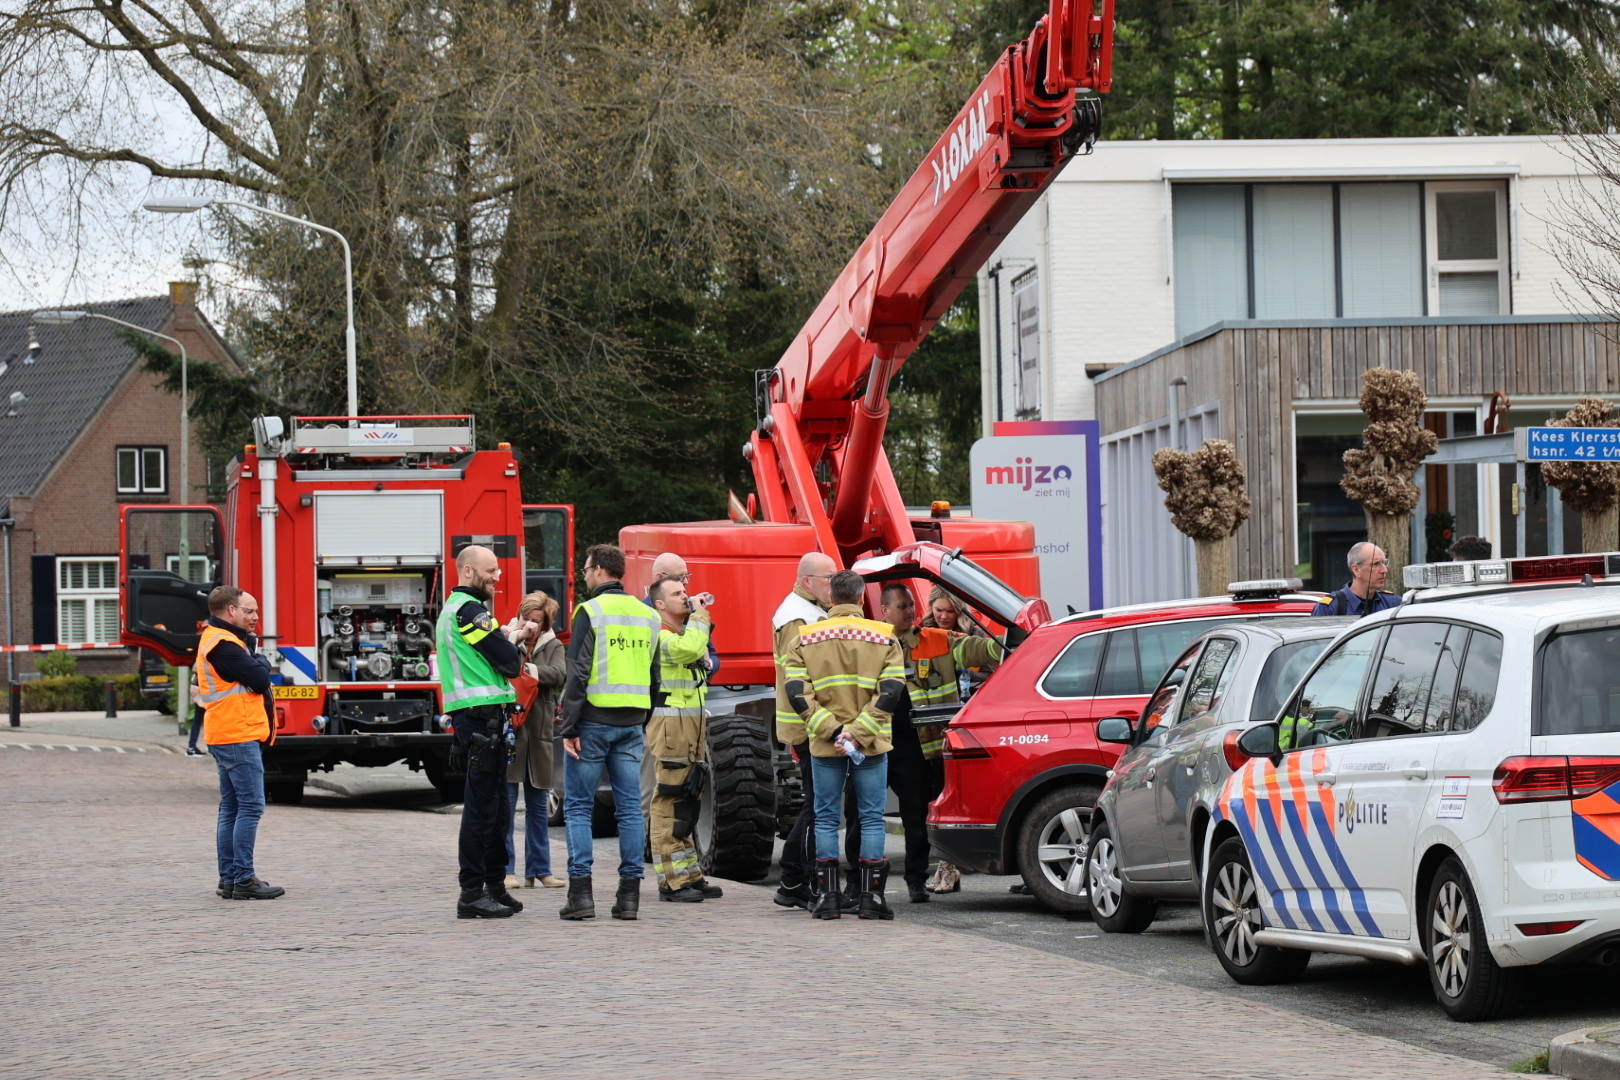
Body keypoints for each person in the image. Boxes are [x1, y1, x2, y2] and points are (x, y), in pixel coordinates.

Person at [852, 583, 1003, 900]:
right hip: (872, 742)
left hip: (916, 747)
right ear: (885, 611)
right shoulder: (868, 644)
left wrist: (1013, 640)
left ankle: (915, 881)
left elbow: (981, 650)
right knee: (861, 817)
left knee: (916, 817)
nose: (911, 611)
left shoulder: (936, 640)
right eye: (903, 606)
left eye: (911, 605)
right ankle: (856, 883)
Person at [784, 569, 908, 920]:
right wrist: (858, 733)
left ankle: (828, 900)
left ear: (832, 599)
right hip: (869, 743)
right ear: (860, 598)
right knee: (870, 818)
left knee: (824, 818)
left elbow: (796, 692)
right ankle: (871, 899)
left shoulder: (804, 639)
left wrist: (833, 730)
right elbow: (891, 692)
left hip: (825, 744)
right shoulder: (884, 638)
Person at [558, 544, 659, 922]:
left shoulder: (590, 611)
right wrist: (641, 718)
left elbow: (577, 672)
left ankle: (581, 895)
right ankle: (629, 897)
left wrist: (568, 726)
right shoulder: (646, 614)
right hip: (631, 723)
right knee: (631, 809)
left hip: (593, 723)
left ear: (600, 570)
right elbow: (654, 675)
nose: (584, 575)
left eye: (585, 569)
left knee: (579, 807)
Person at [436, 544, 530, 920]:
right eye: (491, 570)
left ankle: (493, 886)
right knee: (481, 810)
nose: (497, 577)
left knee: (498, 807)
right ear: (469, 572)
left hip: (479, 719)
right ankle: (471, 893)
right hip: (480, 720)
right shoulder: (470, 612)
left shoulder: (454, 611)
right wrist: (515, 639)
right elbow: (510, 663)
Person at [197, 585, 280, 900]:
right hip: (237, 734)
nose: (255, 617)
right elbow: (260, 678)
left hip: (227, 733)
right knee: (250, 805)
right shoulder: (225, 645)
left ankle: (230, 879)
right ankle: (242, 878)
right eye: (249, 611)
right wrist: (257, 657)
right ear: (230, 611)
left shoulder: (219, 640)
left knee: (231, 806)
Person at [646, 575, 723, 902]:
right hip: (671, 728)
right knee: (670, 801)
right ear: (660, 604)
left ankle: (689, 875)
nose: (686, 597)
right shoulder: (662, 636)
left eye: (685, 591)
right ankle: (671, 882)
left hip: (689, 726)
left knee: (688, 799)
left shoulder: (681, 633)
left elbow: (701, 657)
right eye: (677, 593)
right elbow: (691, 647)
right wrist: (701, 617)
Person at [770, 551, 835, 909]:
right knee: (818, 807)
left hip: (809, 723)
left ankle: (792, 878)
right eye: (829, 578)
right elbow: (804, 677)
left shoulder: (806, 610)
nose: (834, 584)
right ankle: (804, 879)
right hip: (809, 725)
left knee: (815, 805)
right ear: (808, 580)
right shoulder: (798, 617)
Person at [639, 551, 719, 828]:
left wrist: (708, 664)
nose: (687, 591)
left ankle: (672, 853)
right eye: (681, 580)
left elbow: (707, 652)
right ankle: (649, 849)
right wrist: (699, 618)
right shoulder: (646, 617)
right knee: (658, 790)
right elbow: (688, 649)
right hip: (657, 714)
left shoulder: (683, 617)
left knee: (682, 792)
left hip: (684, 718)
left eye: (687, 581)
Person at [504, 591, 565, 890]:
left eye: (536, 621)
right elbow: (497, 667)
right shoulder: (506, 638)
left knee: (538, 806)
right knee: (506, 805)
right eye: (526, 618)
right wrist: (515, 638)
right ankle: (506, 870)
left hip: (539, 734)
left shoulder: (553, 645)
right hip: (511, 732)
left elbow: (559, 674)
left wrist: (528, 671)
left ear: (546, 624)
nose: (530, 625)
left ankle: (540, 869)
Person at [1312, 541, 1402, 618]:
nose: (1384, 570)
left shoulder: (1393, 604)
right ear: (1356, 569)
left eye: (1384, 563)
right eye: (1376, 564)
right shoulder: (1330, 608)